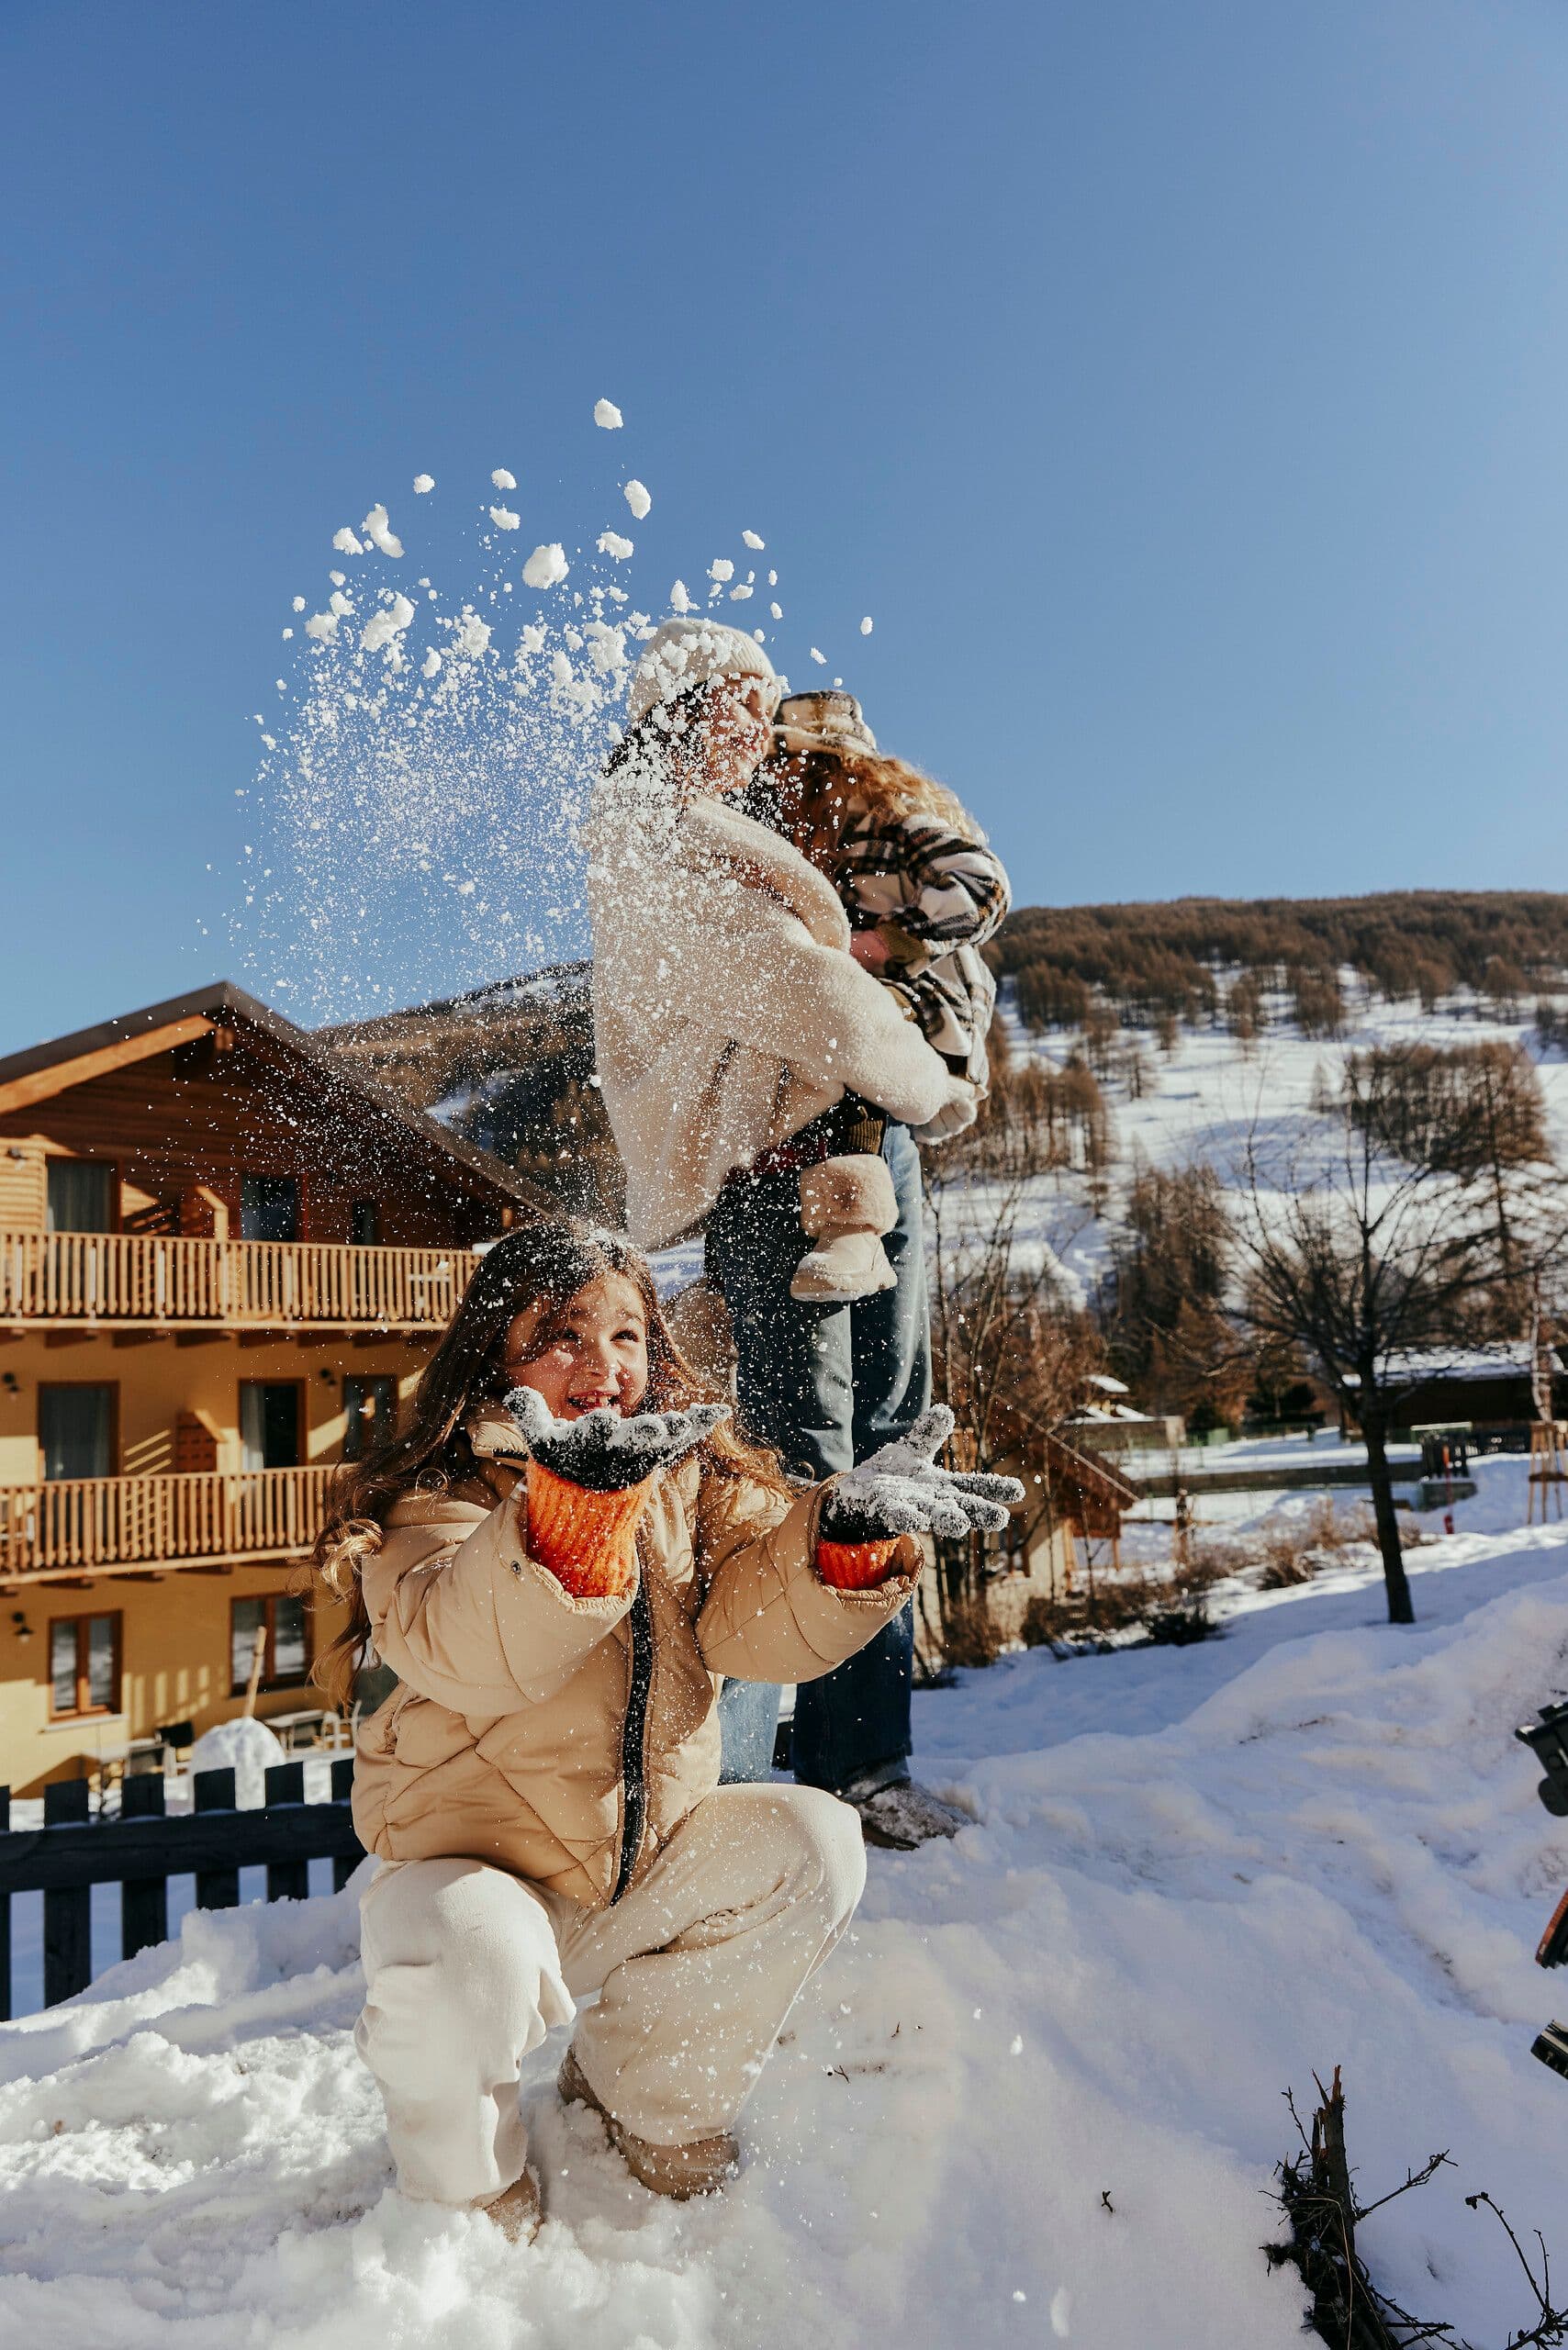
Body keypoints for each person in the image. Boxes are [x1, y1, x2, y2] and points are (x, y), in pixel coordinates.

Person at [315, 1219, 1017, 2238]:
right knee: (460, 1961)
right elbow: (468, 1647)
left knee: (811, 1842)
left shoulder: (689, 1487)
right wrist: (568, 1516)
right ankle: (467, 2199)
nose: (602, 1363)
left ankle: (644, 2104)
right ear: (493, 1356)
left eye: (628, 1335)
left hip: (642, 1873)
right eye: (560, 1332)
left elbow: (756, 1617)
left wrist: (843, 1540)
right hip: (482, 1888)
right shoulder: (434, 1502)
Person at [711, 689, 1013, 1843]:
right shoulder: (722, 835)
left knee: (889, 1437)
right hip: (765, 1136)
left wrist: (879, 948)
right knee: (789, 1447)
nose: (788, 768)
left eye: (798, 752)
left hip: (872, 1130)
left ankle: (860, 1763)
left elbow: (973, 887)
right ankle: (731, 1780)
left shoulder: (882, 809)